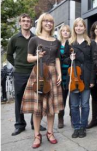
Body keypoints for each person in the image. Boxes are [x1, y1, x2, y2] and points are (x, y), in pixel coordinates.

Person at [21, 13, 64, 148]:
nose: (48, 23)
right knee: (37, 108)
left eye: (50, 22)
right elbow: (28, 58)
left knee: (51, 108)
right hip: (38, 73)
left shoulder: (56, 41)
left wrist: (60, 74)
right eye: (45, 21)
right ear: (41, 23)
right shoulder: (34, 40)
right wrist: (37, 56)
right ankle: (37, 135)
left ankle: (50, 133)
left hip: (52, 73)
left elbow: (57, 59)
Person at [7, 13, 46, 136]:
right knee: (19, 98)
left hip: (34, 72)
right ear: (20, 23)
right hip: (19, 73)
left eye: (28, 21)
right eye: (23, 21)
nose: (26, 23)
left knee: (36, 98)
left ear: (31, 23)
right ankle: (20, 125)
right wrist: (17, 65)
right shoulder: (14, 38)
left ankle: (35, 123)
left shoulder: (35, 38)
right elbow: (9, 55)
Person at [66, 17, 95, 138]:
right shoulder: (70, 43)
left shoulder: (89, 43)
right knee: (73, 105)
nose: (79, 28)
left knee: (85, 104)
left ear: (84, 27)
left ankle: (83, 127)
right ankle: (76, 127)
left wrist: (92, 79)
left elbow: (93, 62)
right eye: (76, 26)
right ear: (74, 28)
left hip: (86, 76)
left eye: (81, 25)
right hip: (74, 78)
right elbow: (65, 60)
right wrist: (70, 59)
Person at [57, 25, 71, 129]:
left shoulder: (71, 44)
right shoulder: (57, 44)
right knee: (62, 97)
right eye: (63, 31)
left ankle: (73, 117)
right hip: (60, 73)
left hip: (71, 73)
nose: (65, 32)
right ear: (61, 32)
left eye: (67, 31)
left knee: (72, 98)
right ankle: (60, 117)